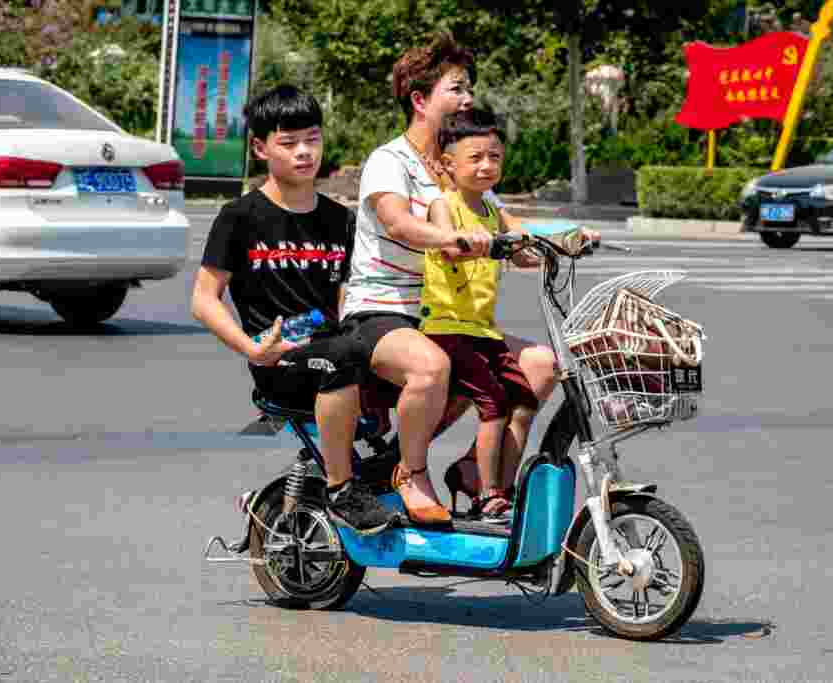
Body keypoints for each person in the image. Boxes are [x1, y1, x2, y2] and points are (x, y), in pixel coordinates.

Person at [341, 32, 560, 526]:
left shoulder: (466, 164)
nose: (468, 99)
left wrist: (566, 238)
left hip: (451, 316)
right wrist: (451, 239)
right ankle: (410, 471)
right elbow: (397, 222)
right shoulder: (388, 161)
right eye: (456, 88)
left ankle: (477, 474)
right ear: (420, 100)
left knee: (541, 366)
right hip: (383, 310)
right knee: (433, 364)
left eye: (469, 89)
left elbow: (518, 239)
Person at [190, 85, 397, 536]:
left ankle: (397, 466)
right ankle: (342, 488)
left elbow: (349, 297)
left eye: (313, 139)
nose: (304, 152)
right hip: (281, 358)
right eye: (289, 143)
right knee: (340, 357)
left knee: (442, 359)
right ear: (261, 148)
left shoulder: (340, 220)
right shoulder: (240, 217)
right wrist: (252, 349)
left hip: (336, 347)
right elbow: (204, 299)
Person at [420, 108, 539, 522]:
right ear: (447, 163)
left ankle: (498, 485)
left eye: (495, 157)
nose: (487, 165)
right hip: (446, 328)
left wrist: (568, 239)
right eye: (476, 157)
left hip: (483, 331)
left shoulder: (492, 209)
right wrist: (466, 240)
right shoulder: (444, 205)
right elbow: (448, 245)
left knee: (523, 400)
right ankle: (487, 494)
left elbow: (525, 243)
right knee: (492, 402)